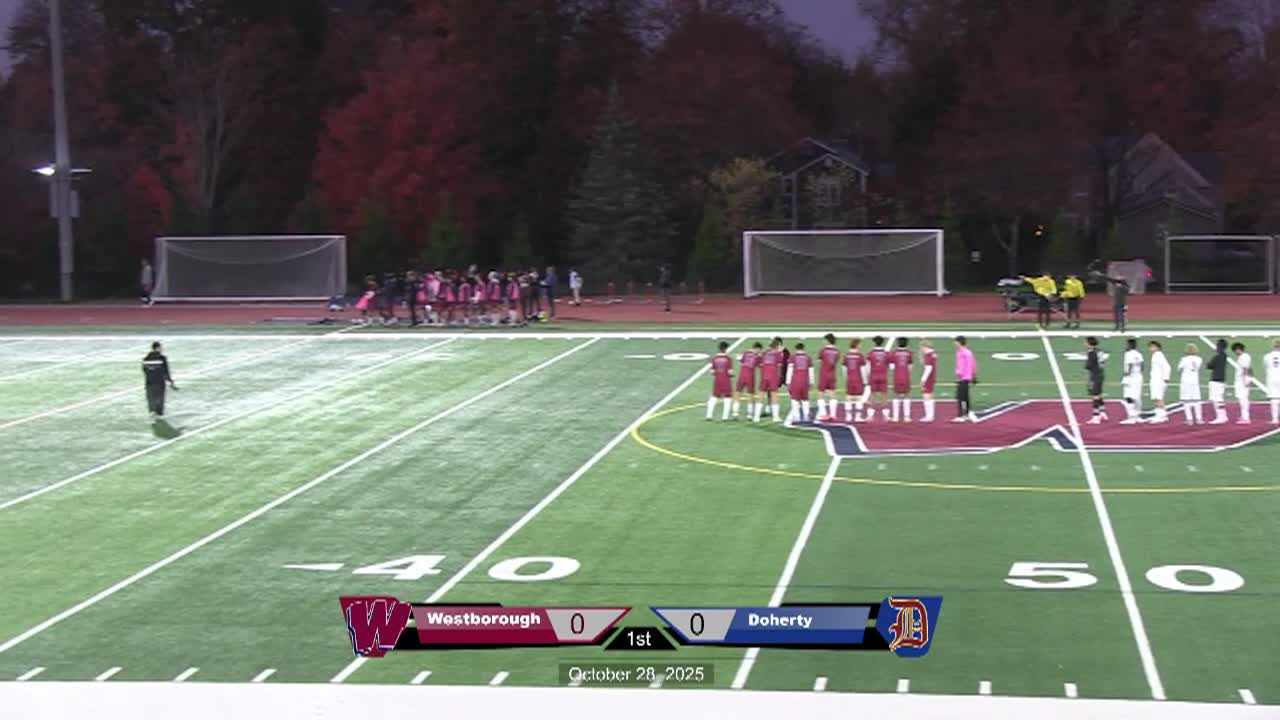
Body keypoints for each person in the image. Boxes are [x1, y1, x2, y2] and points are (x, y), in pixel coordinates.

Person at [142, 341, 178, 421]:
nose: (162, 349)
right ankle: (159, 414)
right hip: (159, 383)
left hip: (149, 383)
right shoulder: (162, 358)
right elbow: (166, 371)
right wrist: (171, 382)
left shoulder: (145, 359)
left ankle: (152, 412)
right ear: (157, 348)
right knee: (159, 399)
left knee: (151, 398)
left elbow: (144, 370)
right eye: (161, 347)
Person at [816, 333, 841, 421]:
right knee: (833, 394)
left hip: (823, 374)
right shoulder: (837, 351)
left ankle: (823, 414)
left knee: (821, 394)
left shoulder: (823, 350)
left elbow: (819, 362)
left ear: (827, 340)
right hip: (832, 374)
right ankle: (833, 414)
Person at [735, 342, 762, 421]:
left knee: (738, 392)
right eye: (759, 350)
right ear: (757, 348)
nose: (759, 352)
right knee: (750, 395)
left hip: (742, 375)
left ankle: (735, 412)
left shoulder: (745, 353)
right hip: (750, 376)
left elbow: (741, 360)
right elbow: (760, 365)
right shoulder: (757, 357)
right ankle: (750, 414)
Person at [757, 340, 784, 422]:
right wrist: (779, 377)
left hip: (764, 376)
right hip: (773, 376)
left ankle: (756, 417)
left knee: (761, 396)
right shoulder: (778, 355)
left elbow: (760, 365)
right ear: (777, 346)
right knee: (774, 396)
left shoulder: (764, 353)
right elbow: (779, 367)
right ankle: (775, 417)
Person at [843, 338, 869, 423]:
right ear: (857, 345)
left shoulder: (846, 355)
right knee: (858, 398)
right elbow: (863, 370)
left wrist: (846, 378)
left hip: (850, 379)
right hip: (858, 379)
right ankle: (857, 416)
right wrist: (865, 381)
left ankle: (848, 416)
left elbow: (844, 369)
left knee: (848, 397)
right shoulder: (860, 356)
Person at [1177, 344, 1204, 425]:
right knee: (1196, 400)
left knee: (1186, 400)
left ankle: (1189, 419)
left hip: (1186, 381)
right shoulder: (1199, 359)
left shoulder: (1184, 359)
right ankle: (1199, 418)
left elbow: (1179, 368)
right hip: (1195, 381)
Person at [707, 342, 734, 421]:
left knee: (714, 396)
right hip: (726, 380)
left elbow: (712, 371)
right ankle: (725, 417)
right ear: (726, 349)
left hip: (717, 380)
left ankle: (709, 415)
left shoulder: (714, 358)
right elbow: (730, 372)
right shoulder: (728, 359)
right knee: (727, 397)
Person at [787, 342, 814, 423]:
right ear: (803, 348)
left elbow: (790, 370)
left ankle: (796, 417)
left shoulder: (793, 357)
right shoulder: (808, 358)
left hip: (795, 381)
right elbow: (811, 371)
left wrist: (788, 382)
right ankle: (806, 416)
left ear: (796, 349)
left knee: (795, 399)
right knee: (805, 399)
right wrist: (811, 382)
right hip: (805, 381)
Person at [953, 336, 978, 422]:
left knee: (960, 397)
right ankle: (966, 413)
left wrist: (959, 374)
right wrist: (974, 375)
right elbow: (973, 364)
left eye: (956, 342)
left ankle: (960, 415)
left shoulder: (961, 353)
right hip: (968, 377)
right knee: (966, 397)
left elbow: (961, 366)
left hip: (962, 377)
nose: (955, 343)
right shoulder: (969, 352)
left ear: (959, 342)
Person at [866, 336, 890, 422]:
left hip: (874, 376)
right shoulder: (886, 353)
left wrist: (868, 376)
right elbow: (889, 365)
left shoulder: (871, 353)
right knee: (884, 396)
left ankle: (870, 416)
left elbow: (868, 366)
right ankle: (886, 416)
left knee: (872, 395)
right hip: (883, 376)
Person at [890, 337, 914, 422]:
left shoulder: (894, 353)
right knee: (907, 395)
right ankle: (907, 417)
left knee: (896, 395)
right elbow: (910, 367)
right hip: (906, 376)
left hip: (897, 377)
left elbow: (892, 367)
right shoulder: (909, 353)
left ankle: (895, 417)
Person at [1084, 336, 1107, 424]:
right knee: (1099, 394)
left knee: (1095, 396)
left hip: (1095, 375)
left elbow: (1088, 366)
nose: (1084, 344)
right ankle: (1102, 412)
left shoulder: (1091, 353)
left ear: (1089, 343)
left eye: (1086, 342)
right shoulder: (1099, 351)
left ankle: (1096, 416)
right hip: (1101, 374)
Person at [1121, 338, 1144, 424]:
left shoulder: (1128, 354)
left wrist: (1127, 375)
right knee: (1137, 396)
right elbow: (1142, 366)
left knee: (1128, 396)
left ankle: (1131, 417)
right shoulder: (1139, 354)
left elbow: (1130, 364)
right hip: (1139, 377)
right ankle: (1138, 415)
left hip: (1131, 376)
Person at [1147, 340, 1171, 423]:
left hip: (1159, 380)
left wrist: (1166, 378)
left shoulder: (1159, 355)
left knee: (1158, 398)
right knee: (1155, 398)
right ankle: (1160, 414)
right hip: (1155, 379)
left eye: (1152, 346)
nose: (1150, 348)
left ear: (1157, 347)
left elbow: (1167, 367)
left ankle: (1161, 416)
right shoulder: (1155, 355)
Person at [1207, 338, 1230, 424]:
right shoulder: (1224, 356)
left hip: (1216, 379)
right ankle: (1223, 416)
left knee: (1217, 399)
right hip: (1221, 379)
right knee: (1219, 398)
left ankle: (1220, 416)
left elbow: (1209, 365)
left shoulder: (1217, 357)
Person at [1232, 342, 1253, 424]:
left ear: (1238, 349)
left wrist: (1246, 380)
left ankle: (1246, 417)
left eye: (1235, 350)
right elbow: (1249, 368)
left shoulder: (1243, 357)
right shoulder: (1245, 357)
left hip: (1241, 380)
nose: (1235, 353)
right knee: (1243, 398)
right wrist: (1250, 378)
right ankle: (1244, 416)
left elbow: (1245, 369)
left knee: (1243, 398)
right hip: (1242, 379)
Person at [919, 340, 938, 422]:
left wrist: (923, 380)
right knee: (930, 395)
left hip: (928, 378)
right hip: (932, 377)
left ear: (924, 347)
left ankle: (928, 416)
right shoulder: (933, 354)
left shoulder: (928, 356)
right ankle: (931, 415)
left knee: (926, 396)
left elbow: (928, 369)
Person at [1264, 338, 1280, 424]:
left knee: (1274, 399)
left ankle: (1275, 419)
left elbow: (1266, 366)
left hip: (1272, 378)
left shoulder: (1267, 356)